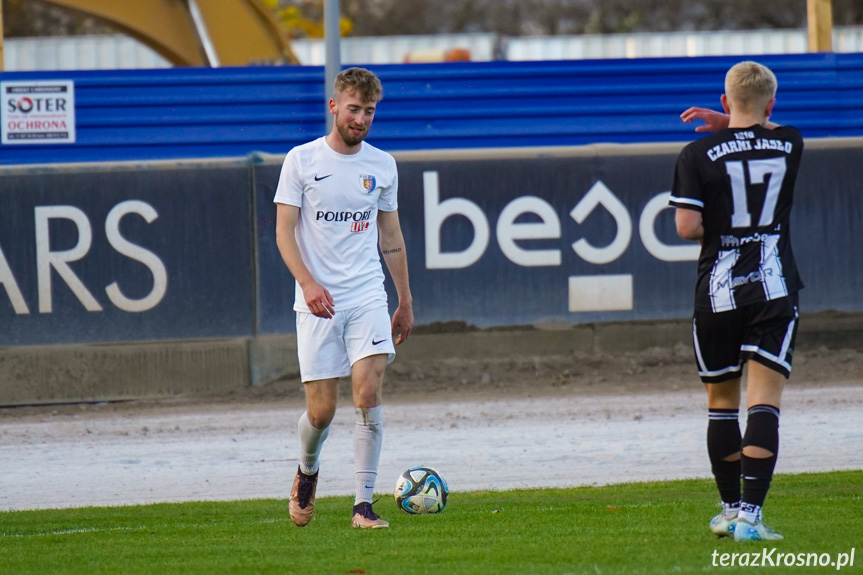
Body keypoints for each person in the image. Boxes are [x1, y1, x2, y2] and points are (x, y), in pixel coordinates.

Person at [273, 67, 414, 529]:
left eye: (369, 111)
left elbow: (389, 234)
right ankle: (307, 470)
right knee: (323, 410)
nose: (361, 119)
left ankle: (362, 505)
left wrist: (404, 298)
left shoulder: (382, 165)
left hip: (367, 295)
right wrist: (308, 284)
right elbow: (283, 231)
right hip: (317, 302)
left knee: (368, 392)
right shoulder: (300, 160)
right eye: (354, 109)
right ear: (334, 106)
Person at [670, 61, 804, 542]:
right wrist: (737, 121)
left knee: (722, 405)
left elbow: (687, 228)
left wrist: (724, 125)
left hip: (718, 293)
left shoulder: (696, 153)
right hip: (773, 288)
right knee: (763, 404)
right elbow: (761, 130)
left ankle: (728, 510)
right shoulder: (790, 141)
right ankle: (752, 517)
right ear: (772, 103)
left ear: (725, 101)